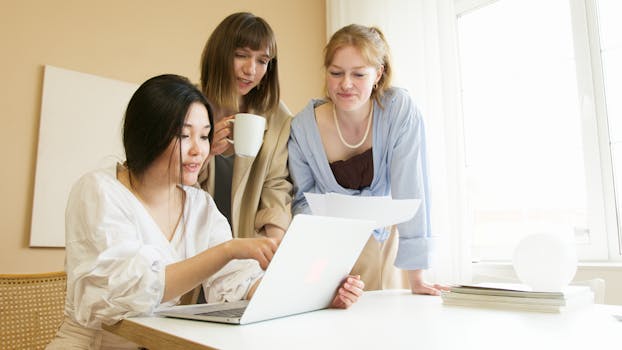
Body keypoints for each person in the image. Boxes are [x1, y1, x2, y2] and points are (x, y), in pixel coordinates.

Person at [47, 74, 363, 349]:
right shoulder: (98, 191)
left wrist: (319, 293)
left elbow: (235, 284)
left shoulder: (199, 205)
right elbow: (122, 293)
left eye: (204, 135)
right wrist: (227, 250)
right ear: (148, 133)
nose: (200, 150)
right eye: (184, 136)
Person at [288, 24, 448, 295]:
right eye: (336, 73)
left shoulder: (398, 110)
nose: (345, 84)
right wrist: (320, 268)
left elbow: (411, 189)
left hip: (389, 244)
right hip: (331, 249)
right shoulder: (303, 127)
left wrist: (417, 277)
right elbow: (302, 202)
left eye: (359, 74)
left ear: (379, 74)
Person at [197, 12, 292, 242]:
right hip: (196, 243)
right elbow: (170, 183)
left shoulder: (278, 117)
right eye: (241, 55)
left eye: (262, 61)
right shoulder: (188, 107)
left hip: (249, 246)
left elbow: (276, 186)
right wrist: (207, 152)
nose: (251, 70)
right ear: (219, 55)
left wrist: (275, 246)